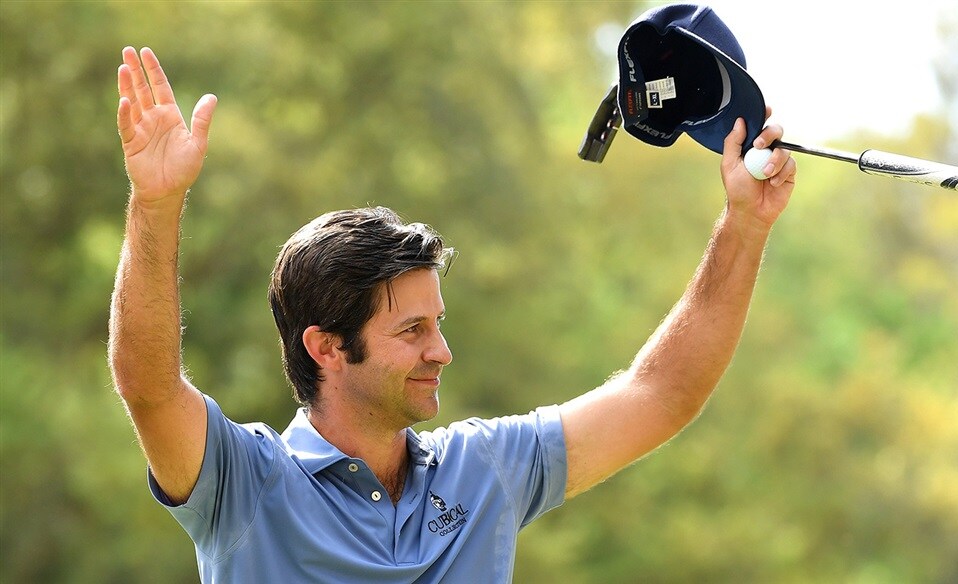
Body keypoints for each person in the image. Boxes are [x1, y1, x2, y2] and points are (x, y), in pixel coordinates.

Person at [109, 46, 795, 583]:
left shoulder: (484, 467)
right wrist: (157, 204)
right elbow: (148, 385)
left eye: (436, 324)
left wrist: (745, 224)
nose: (441, 351)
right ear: (326, 347)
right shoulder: (244, 485)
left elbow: (662, 393)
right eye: (411, 331)